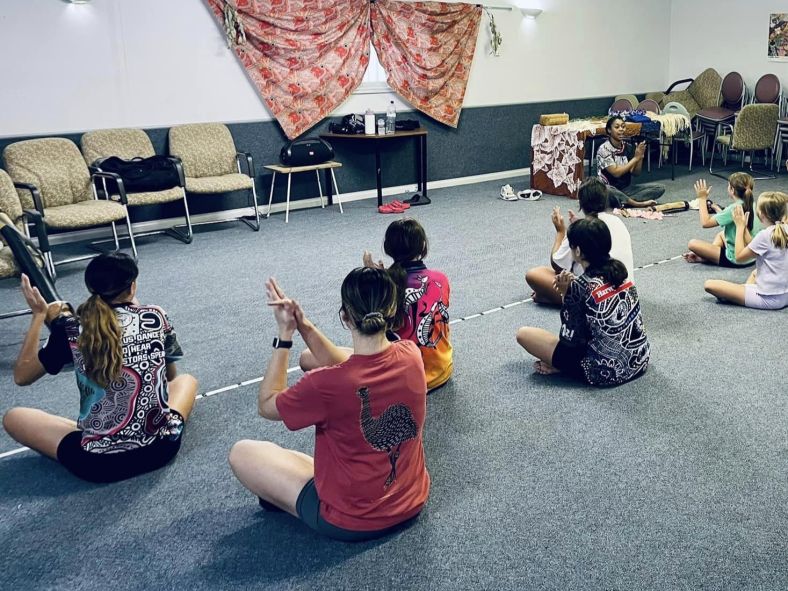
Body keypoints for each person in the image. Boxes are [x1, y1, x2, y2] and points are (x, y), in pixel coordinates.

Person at [229, 270, 430, 542]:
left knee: (243, 453)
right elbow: (347, 361)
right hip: (411, 500)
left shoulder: (325, 385)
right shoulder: (411, 354)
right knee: (311, 359)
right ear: (391, 309)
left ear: (345, 317)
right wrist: (303, 324)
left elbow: (266, 404)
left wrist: (284, 335)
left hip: (352, 520)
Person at [4, 253, 198, 482]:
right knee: (186, 381)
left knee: (13, 417)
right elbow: (169, 378)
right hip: (160, 449)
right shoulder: (155, 315)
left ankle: (88, 432)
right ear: (132, 287)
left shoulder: (71, 330)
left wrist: (39, 315)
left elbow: (22, 375)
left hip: (98, 465)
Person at [302, 218, 452, 392]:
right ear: (423, 246)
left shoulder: (386, 286)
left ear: (388, 248)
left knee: (307, 358)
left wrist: (373, 280)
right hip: (442, 370)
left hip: (400, 376)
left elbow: (373, 331)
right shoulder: (441, 279)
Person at [516, 218, 650, 387]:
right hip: (639, 360)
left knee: (524, 334)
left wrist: (567, 295)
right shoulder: (620, 273)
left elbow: (570, 340)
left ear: (577, 251)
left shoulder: (581, 287)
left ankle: (564, 370)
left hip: (605, 373)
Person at [526, 177, 634, 306]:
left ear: (581, 203)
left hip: (595, 294)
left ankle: (558, 299)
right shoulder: (617, 221)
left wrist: (561, 232)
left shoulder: (583, 229)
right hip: (624, 287)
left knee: (535, 274)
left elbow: (557, 265)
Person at [704, 192, 788, 309]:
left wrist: (739, 227)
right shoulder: (783, 229)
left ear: (761, 214)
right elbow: (754, 246)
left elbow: (739, 257)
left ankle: (739, 295)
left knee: (710, 285)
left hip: (769, 299)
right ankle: (741, 293)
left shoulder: (764, 235)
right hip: (785, 294)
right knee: (754, 273)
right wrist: (744, 228)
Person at [685, 174, 762, 266]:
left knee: (692, 244)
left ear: (732, 190)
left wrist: (702, 198)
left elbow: (705, 223)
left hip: (736, 258)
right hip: (751, 256)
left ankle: (709, 257)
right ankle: (708, 256)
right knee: (721, 235)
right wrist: (718, 209)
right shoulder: (752, 203)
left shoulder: (733, 208)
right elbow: (730, 217)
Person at [597, 115, 666, 209]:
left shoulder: (628, 147)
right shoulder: (604, 149)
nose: (621, 129)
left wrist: (640, 156)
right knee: (608, 190)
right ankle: (636, 203)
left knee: (659, 188)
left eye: (623, 126)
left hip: (625, 190)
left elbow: (635, 173)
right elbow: (616, 173)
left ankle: (624, 201)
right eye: (617, 127)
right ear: (609, 130)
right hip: (608, 190)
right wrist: (635, 158)